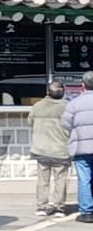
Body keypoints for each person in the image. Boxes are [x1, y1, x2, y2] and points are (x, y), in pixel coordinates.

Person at [29, 81, 70, 217]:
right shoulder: (67, 107)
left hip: (41, 149)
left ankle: (41, 207)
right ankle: (59, 208)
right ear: (63, 92)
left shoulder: (37, 106)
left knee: (42, 180)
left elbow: (30, 123)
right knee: (61, 179)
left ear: (47, 92)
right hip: (61, 149)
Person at [61, 71, 93, 224]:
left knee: (84, 179)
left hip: (81, 147)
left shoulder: (73, 103)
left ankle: (86, 212)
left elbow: (65, 125)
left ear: (82, 86)